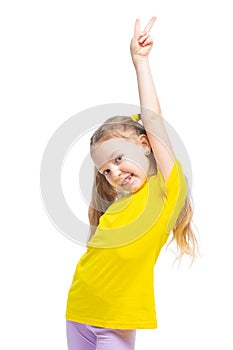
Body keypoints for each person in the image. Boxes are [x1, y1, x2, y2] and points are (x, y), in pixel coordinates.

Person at [65, 16, 198, 350]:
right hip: (79, 309)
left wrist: (140, 63)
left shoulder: (165, 191)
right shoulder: (118, 206)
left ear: (145, 145)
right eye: (106, 170)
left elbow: (152, 119)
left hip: (116, 321)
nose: (114, 173)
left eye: (119, 158)